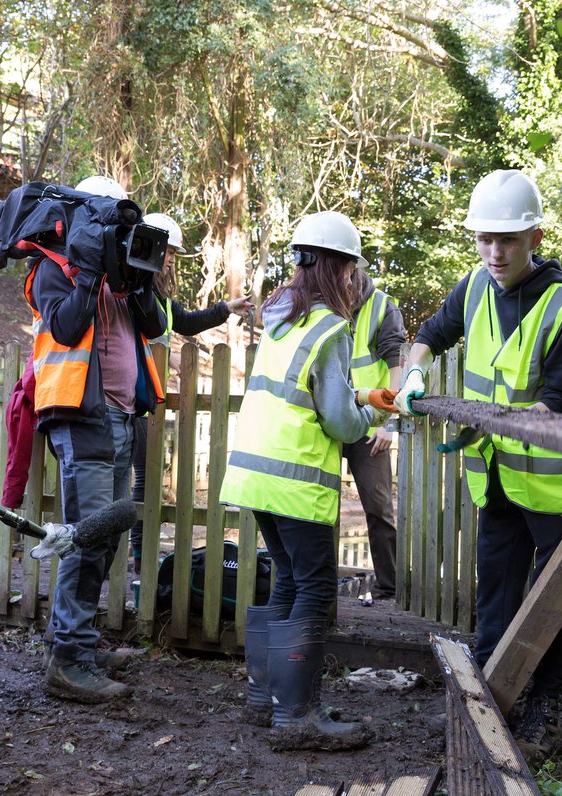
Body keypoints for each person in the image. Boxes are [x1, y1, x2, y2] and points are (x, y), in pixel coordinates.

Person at [393, 169, 562, 757]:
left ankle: (544, 714)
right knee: (496, 595)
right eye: (484, 239)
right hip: (500, 480)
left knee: (553, 600)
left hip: (555, 487)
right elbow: (430, 332)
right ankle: (482, 707)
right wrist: (414, 370)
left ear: (534, 237)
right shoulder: (474, 286)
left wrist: (491, 417)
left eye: (506, 240)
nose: (493, 252)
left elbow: (555, 402)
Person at [220, 210, 396, 752]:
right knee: (314, 587)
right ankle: (297, 718)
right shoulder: (330, 326)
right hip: (294, 478)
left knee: (289, 582)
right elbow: (339, 422)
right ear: (339, 268)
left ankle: (266, 701)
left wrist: (364, 397)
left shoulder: (280, 313)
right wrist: (371, 415)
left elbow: (309, 390)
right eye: (349, 269)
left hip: (255, 472)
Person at [29, 176, 167, 702]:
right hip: (83, 417)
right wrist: (86, 271)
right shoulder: (52, 265)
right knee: (86, 539)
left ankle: (75, 642)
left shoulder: (122, 269)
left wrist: (139, 281)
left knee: (105, 536)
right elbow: (65, 327)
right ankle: (68, 661)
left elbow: (152, 328)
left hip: (123, 415)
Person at [127, 211, 254, 571]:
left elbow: (183, 321)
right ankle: (134, 557)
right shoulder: (135, 291)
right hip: (130, 395)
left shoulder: (157, 295)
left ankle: (138, 557)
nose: (170, 259)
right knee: (137, 482)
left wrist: (226, 309)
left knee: (145, 480)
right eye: (168, 252)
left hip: (146, 396)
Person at [343, 265, 405, 600]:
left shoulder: (382, 307)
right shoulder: (321, 300)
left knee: (379, 508)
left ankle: (389, 588)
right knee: (314, 508)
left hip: (370, 425)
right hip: (328, 423)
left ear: (354, 270)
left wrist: (389, 423)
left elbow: (398, 370)